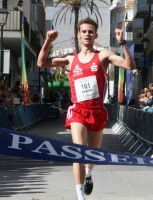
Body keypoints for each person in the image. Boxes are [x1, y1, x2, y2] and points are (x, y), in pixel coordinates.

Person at [37, 17, 136, 200]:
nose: (87, 34)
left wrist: (122, 43)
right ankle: (80, 196)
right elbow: (41, 63)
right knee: (79, 150)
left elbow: (130, 66)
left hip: (97, 111)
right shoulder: (70, 59)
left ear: (95, 34)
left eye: (90, 31)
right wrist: (48, 41)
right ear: (79, 34)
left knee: (93, 154)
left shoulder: (103, 56)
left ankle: (89, 173)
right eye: (84, 31)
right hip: (78, 111)